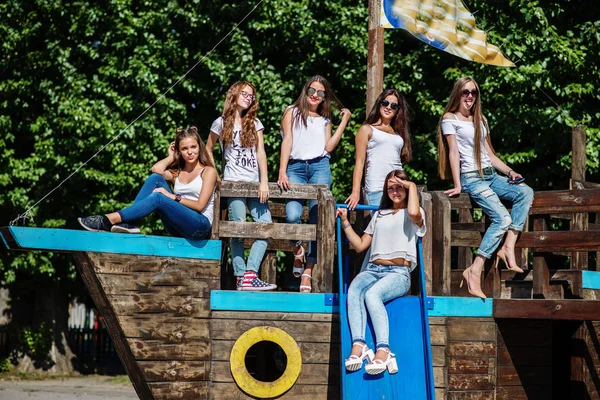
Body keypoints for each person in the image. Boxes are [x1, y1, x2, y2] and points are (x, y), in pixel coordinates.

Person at [437, 76, 534, 299]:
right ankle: (475, 268)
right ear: (457, 94)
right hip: (472, 178)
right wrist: (458, 184)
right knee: (502, 218)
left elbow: (490, 155)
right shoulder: (449, 118)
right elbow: (453, 152)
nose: (470, 96)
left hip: (491, 175)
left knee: (525, 192)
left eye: (473, 92)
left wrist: (510, 171)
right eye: (465, 92)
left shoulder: (481, 119)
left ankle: (508, 246)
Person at [338, 169, 426, 375]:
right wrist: (344, 222)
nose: (395, 191)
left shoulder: (416, 212)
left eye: (399, 187)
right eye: (390, 188)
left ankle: (384, 350)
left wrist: (412, 185)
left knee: (372, 295)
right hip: (373, 269)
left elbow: (413, 214)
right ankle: (359, 346)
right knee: (354, 290)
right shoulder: (380, 214)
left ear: (407, 188)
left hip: (398, 273)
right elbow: (360, 245)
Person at [277, 75, 352, 293]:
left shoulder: (325, 120)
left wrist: (344, 122)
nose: (315, 96)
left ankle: (308, 271)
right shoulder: (291, 111)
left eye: (320, 93)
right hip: (295, 167)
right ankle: (297, 250)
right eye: (312, 90)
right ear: (305, 90)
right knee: (292, 215)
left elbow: (328, 147)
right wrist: (282, 170)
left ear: (324, 97)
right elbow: (287, 141)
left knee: (318, 218)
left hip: (320, 166)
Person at [78, 126, 217, 240]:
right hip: (177, 226)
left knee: (159, 197)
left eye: (193, 147)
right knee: (155, 179)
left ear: (200, 147)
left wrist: (172, 197)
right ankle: (129, 223)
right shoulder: (178, 173)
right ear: (179, 152)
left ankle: (107, 220)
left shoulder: (208, 171)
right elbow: (156, 170)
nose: (190, 152)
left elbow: (200, 206)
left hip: (199, 227)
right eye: (184, 149)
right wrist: (170, 157)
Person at [206, 81, 276, 291]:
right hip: (233, 183)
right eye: (245, 94)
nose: (248, 98)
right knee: (237, 229)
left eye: (251, 96)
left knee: (266, 226)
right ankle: (240, 276)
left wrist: (264, 181)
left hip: (254, 183)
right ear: (234, 95)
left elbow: (261, 153)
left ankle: (250, 274)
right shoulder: (220, 122)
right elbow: (207, 148)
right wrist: (216, 175)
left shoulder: (255, 123)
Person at [345, 89, 412, 210]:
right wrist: (355, 192)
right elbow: (359, 162)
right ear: (379, 104)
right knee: (380, 225)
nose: (388, 107)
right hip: (377, 186)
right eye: (385, 103)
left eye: (394, 105)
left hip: (399, 185)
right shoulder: (367, 129)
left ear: (398, 110)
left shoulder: (399, 133)